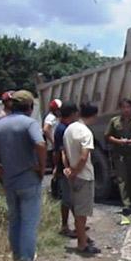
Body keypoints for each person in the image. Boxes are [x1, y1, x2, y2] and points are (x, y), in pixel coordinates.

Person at [0, 89, 47, 261]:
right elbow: (40, 144)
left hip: (9, 180)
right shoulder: (29, 123)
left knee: (15, 220)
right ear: (29, 107)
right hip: (28, 179)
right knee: (29, 222)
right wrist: (41, 167)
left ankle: (18, 259)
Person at [63, 103, 102, 254]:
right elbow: (84, 156)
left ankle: (82, 240)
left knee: (78, 210)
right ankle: (82, 244)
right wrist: (75, 171)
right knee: (81, 214)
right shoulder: (86, 133)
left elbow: (65, 152)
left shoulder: (69, 129)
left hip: (73, 176)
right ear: (93, 116)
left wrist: (68, 169)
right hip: (83, 176)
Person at [105, 98, 131, 216]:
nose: (126, 110)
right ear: (120, 108)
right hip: (119, 154)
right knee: (122, 179)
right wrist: (118, 141)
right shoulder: (114, 121)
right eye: (124, 107)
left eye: (128, 107)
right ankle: (126, 204)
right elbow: (108, 136)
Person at [53, 101, 78, 238]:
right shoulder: (62, 129)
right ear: (73, 114)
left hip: (66, 168)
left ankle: (77, 223)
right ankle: (65, 226)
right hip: (66, 169)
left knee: (72, 198)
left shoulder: (63, 127)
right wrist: (60, 168)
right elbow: (59, 152)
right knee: (67, 198)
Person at [43, 99, 62, 171]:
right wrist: (53, 141)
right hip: (53, 147)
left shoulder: (56, 117)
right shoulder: (50, 118)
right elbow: (45, 129)